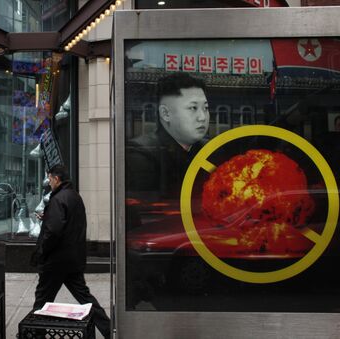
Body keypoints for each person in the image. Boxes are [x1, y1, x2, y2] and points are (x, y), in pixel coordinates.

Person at [31, 165, 111, 339]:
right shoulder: (74, 196)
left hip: (56, 261)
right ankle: (109, 329)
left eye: (49, 178)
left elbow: (53, 232)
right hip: (73, 258)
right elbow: (68, 223)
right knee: (85, 298)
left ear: (56, 179)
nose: (49, 182)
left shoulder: (58, 199)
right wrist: (48, 216)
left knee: (42, 298)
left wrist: (42, 251)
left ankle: (35, 334)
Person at [126, 72, 210, 198]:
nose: (202, 117)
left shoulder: (211, 150)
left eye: (206, 108)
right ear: (165, 114)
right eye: (193, 108)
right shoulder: (141, 153)